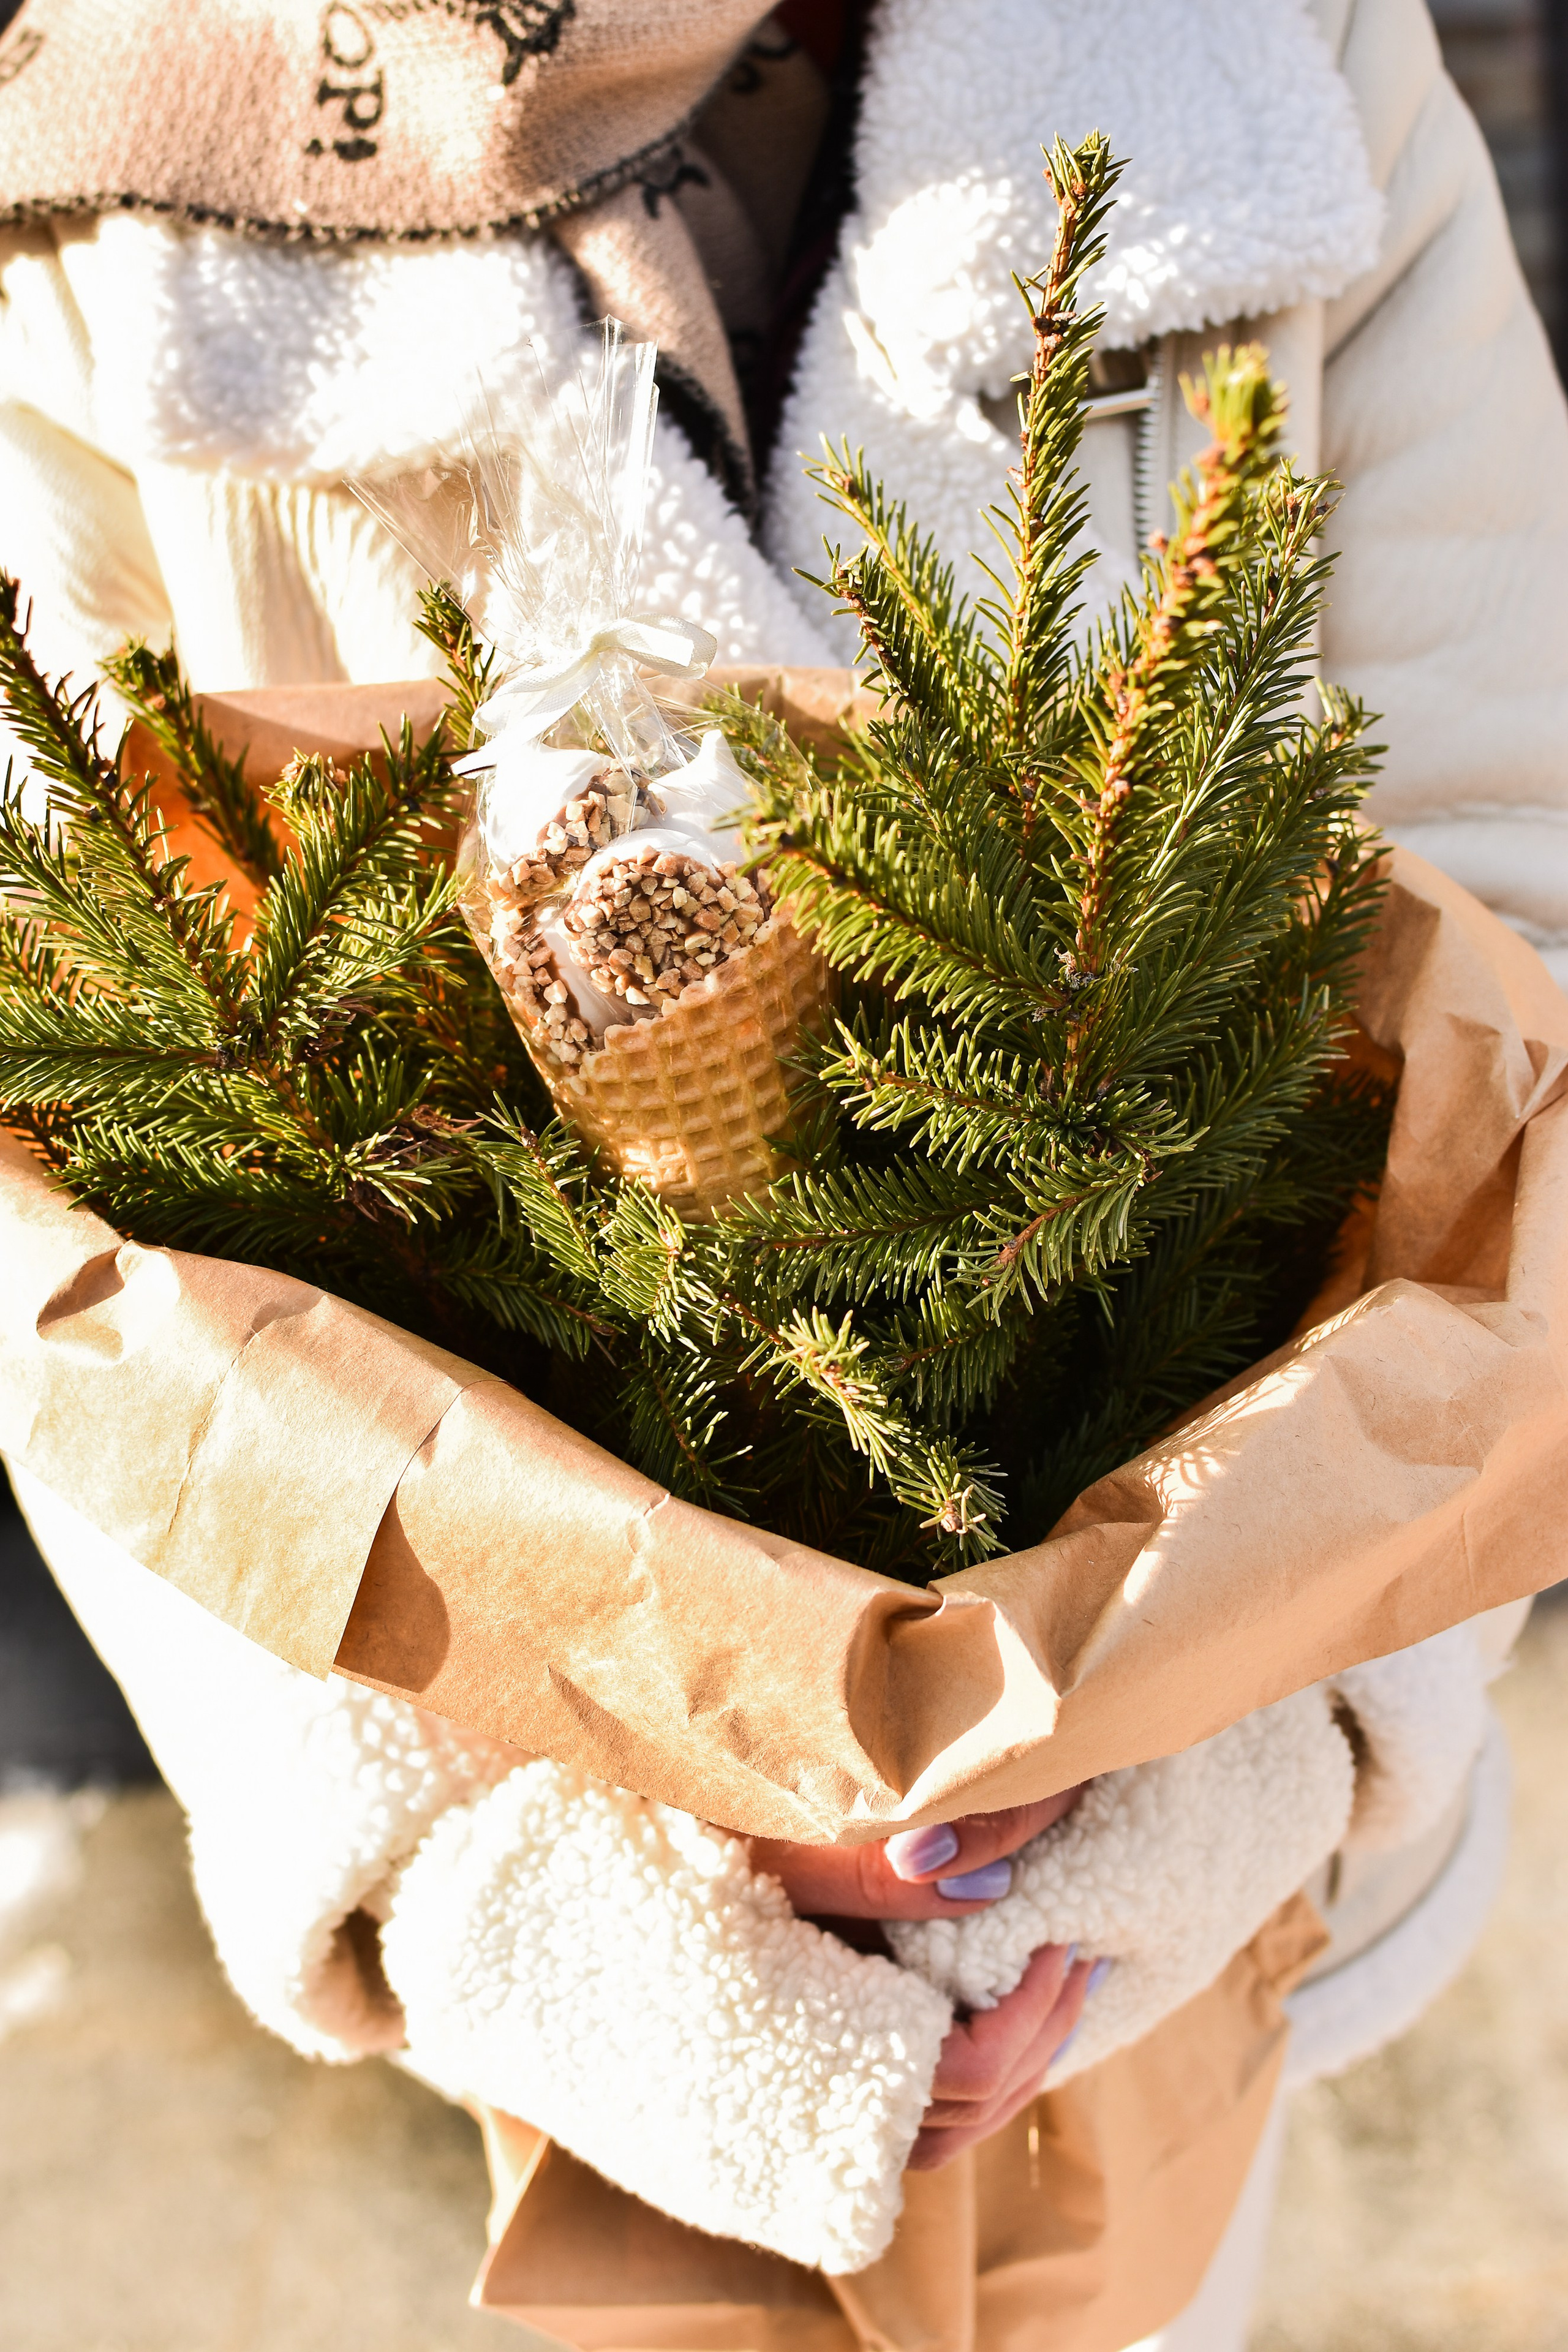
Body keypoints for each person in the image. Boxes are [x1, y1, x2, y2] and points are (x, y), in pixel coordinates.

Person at [0, 1, 1562, 2343]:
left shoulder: (1258, 44)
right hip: (575, 1891)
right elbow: (85, 1121)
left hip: (1188, 1820)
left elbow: (1503, 936)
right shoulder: (108, 158)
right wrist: (511, 1892)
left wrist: (1199, 1778)